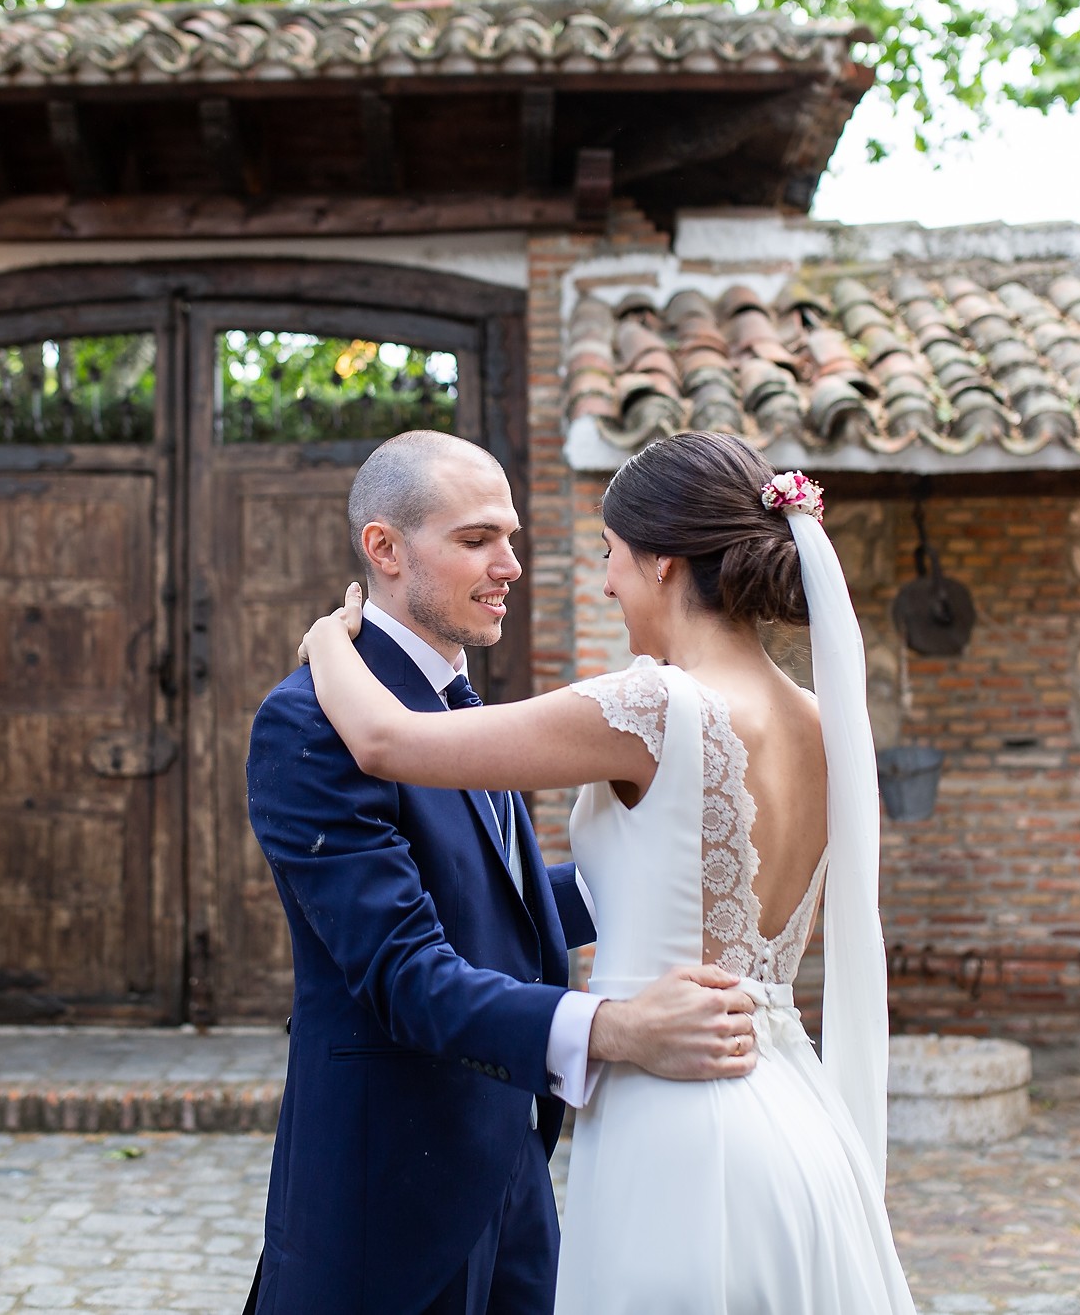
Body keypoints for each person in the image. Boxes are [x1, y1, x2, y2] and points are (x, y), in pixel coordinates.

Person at [300, 430, 917, 1313]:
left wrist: (328, 642)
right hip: (794, 1112)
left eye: (611, 556)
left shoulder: (653, 702)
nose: (604, 581)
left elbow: (386, 740)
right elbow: (644, 886)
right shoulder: (825, 723)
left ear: (664, 562)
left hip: (679, 1123)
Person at [244, 431, 763, 1315]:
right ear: (385, 550)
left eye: (512, 538)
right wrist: (617, 1028)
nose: (511, 565)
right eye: (478, 539)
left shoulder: (463, 706)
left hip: (516, 1179)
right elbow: (405, 975)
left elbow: (501, 908)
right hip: (386, 1206)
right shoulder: (309, 724)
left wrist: (660, 873)